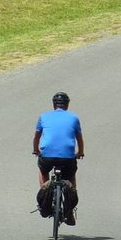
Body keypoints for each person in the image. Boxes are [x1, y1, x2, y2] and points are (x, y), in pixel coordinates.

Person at [33, 91, 84, 224]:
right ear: (67, 105)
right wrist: (80, 152)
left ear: (54, 105)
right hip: (67, 157)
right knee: (71, 176)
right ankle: (70, 211)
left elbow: (37, 137)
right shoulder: (74, 118)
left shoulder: (44, 116)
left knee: (43, 171)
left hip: (47, 157)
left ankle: (45, 191)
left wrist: (36, 150)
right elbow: (79, 139)